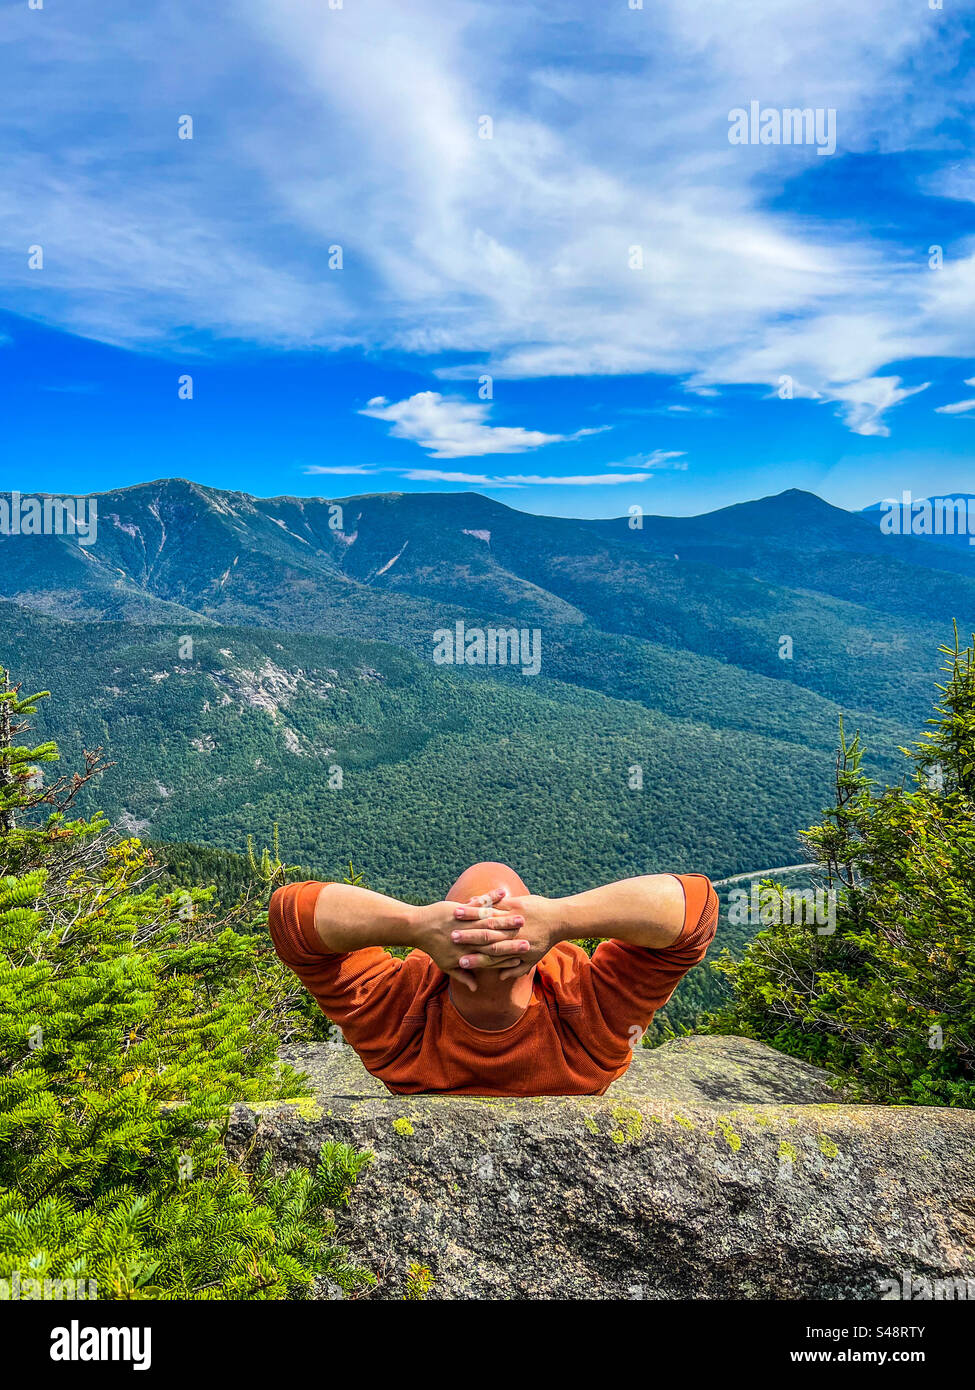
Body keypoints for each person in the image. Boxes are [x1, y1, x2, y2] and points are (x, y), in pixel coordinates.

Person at [268, 861, 718, 1097]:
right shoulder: (590, 1024)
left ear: (443, 958)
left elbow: (291, 916)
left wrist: (416, 924)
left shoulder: (396, 1025)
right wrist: (561, 917)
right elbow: (696, 909)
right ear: (537, 958)